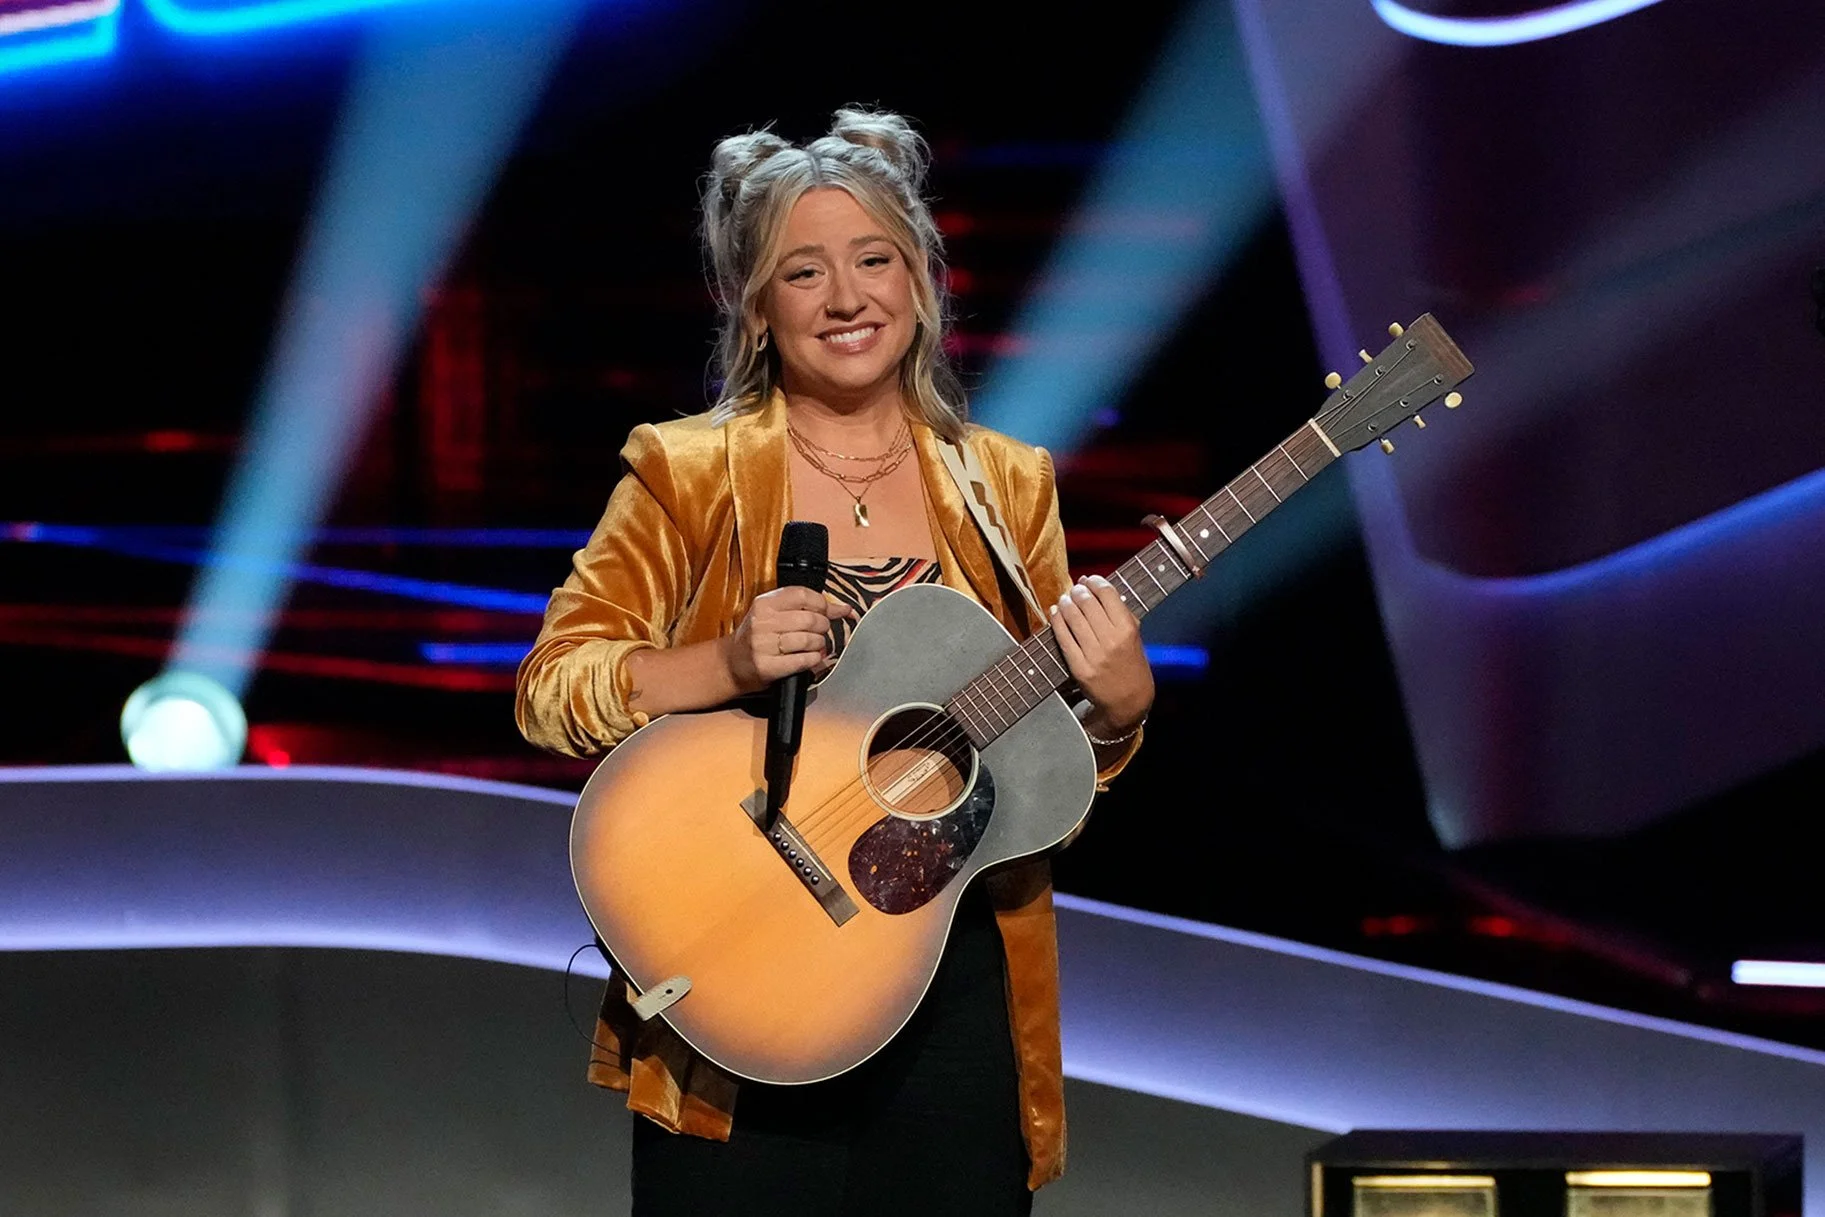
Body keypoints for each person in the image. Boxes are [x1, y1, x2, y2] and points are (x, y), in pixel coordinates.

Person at [515, 107, 1154, 1217]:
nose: (846, 297)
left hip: (950, 979)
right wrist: (724, 661)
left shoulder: (1007, 484)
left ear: (922, 281)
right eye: (802, 272)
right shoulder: (689, 472)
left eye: (874, 260)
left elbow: (1040, 790)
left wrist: (1116, 711)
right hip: (744, 967)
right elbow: (550, 687)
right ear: (755, 307)